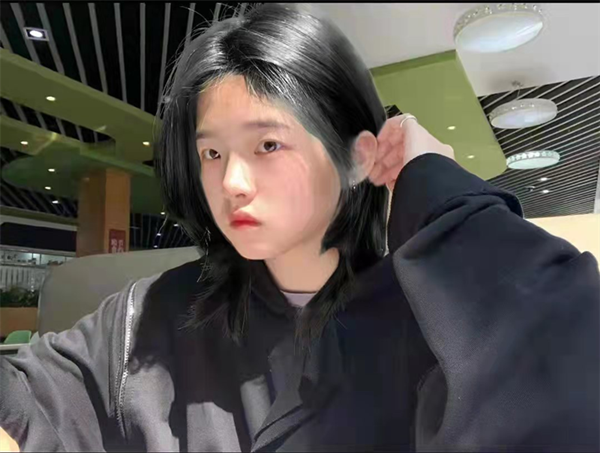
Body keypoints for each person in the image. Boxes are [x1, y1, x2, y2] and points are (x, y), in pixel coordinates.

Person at [1, 3, 599, 452]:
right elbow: (25, 400)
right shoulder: (146, 319)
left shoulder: (435, 318)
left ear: (357, 157)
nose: (232, 181)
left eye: (267, 144)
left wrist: (436, 185)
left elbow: (565, 371)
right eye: (211, 153)